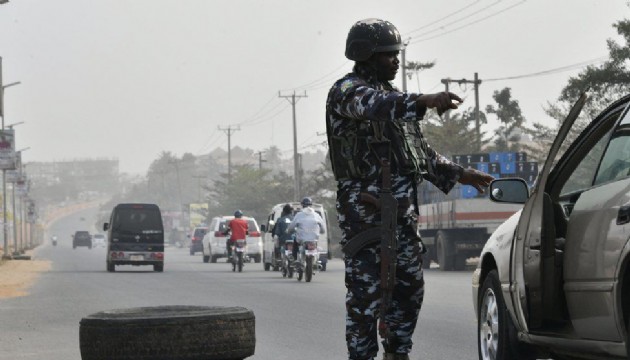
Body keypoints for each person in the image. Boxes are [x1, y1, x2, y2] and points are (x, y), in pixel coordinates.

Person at [326, 18, 494, 360]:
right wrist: (425, 100)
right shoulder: (347, 91)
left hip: (402, 216)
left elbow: (420, 154)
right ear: (367, 55)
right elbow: (375, 106)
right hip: (366, 216)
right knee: (365, 297)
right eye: (389, 55)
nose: (396, 61)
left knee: (409, 290)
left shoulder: (393, 97)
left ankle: (398, 352)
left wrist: (461, 174)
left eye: (396, 54)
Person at [287, 197, 326, 261]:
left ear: (302, 205)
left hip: (302, 239)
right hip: (314, 239)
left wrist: (289, 231)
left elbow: (291, 226)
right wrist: (321, 231)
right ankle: (316, 260)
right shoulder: (316, 215)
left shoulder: (299, 215)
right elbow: (323, 229)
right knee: (316, 246)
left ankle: (294, 258)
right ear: (311, 205)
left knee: (295, 243)